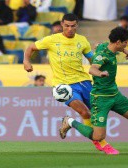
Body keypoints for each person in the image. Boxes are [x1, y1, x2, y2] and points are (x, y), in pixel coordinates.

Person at [60, 27, 128, 154]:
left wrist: (125, 50)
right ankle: (70, 122)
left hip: (115, 95)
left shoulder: (106, 45)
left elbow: (99, 44)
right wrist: (100, 73)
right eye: (125, 42)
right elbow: (92, 69)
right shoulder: (102, 56)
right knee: (98, 137)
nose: (126, 44)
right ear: (117, 42)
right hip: (100, 99)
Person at [24, 13, 120, 154]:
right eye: (67, 26)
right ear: (62, 24)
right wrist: (26, 61)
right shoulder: (52, 39)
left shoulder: (82, 40)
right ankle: (101, 143)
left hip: (84, 81)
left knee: (96, 113)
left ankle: (68, 122)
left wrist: (102, 63)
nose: (70, 29)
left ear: (77, 25)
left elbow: (92, 59)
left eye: (73, 26)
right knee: (84, 112)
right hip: (64, 86)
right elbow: (30, 48)